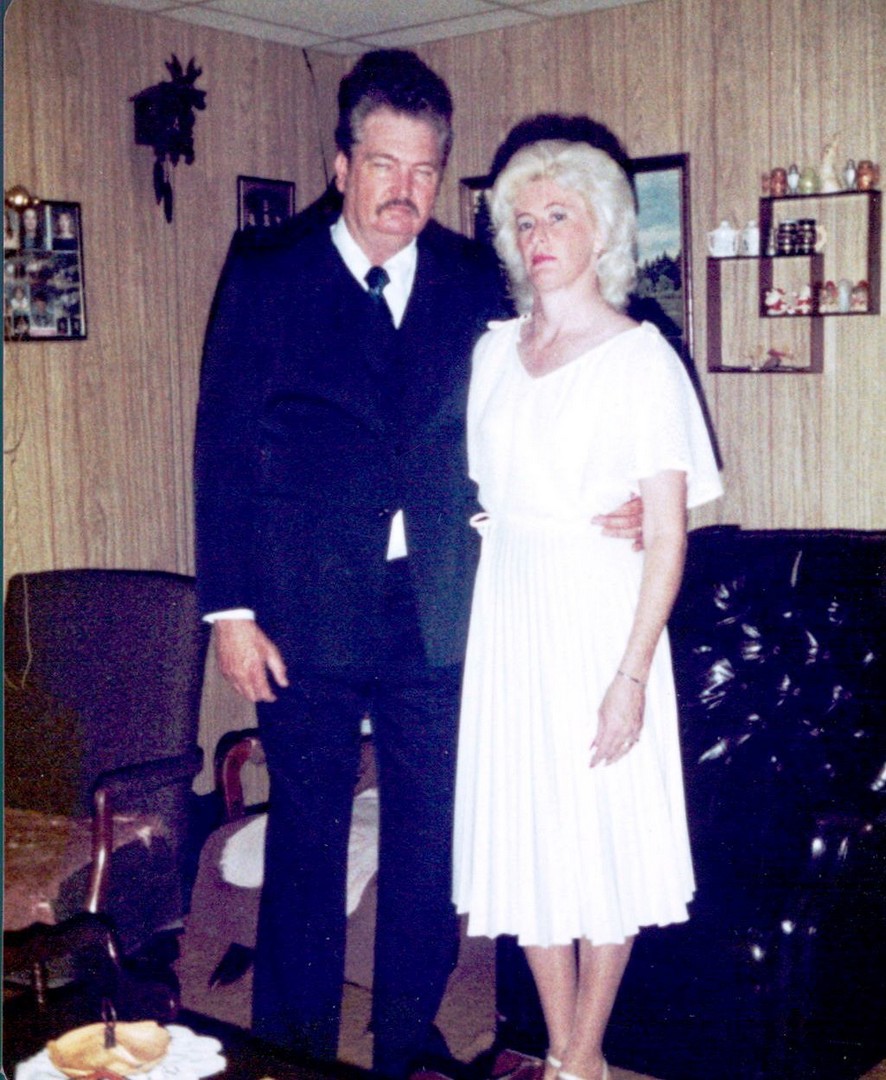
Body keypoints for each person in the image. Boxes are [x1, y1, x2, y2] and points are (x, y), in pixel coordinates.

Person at [195, 52, 640, 1079]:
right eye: (384, 165)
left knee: (431, 842)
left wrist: (622, 487)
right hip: (301, 608)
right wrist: (230, 612)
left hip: (440, 605)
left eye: (425, 169)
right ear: (342, 164)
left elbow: (563, 373)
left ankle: (402, 1046)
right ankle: (293, 1055)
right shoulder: (268, 271)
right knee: (307, 839)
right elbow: (222, 446)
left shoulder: (475, 279)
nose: (404, 189)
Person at [452, 139, 723, 1080]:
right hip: (510, 614)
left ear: (604, 231)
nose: (538, 235)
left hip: (601, 620)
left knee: (604, 837)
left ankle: (579, 1056)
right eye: (524, 221)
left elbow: (668, 533)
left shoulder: (641, 359)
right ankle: (574, 1058)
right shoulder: (493, 351)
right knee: (528, 835)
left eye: (559, 216)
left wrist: (631, 677)